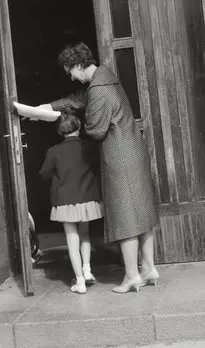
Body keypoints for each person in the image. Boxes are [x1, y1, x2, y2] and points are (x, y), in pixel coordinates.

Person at [42, 42, 159, 294]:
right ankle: (149, 268)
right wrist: (48, 108)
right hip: (134, 151)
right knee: (141, 214)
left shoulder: (98, 90)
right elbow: (78, 99)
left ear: (78, 65)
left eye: (70, 72)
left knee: (125, 217)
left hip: (119, 157)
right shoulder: (106, 78)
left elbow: (96, 130)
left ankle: (131, 276)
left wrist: (80, 121)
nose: (71, 77)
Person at [39, 110, 103, 294]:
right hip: (87, 197)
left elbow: (44, 174)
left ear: (60, 131)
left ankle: (80, 282)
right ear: (79, 127)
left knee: (71, 239)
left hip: (65, 200)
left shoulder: (54, 151)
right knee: (85, 234)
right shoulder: (90, 147)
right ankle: (87, 270)